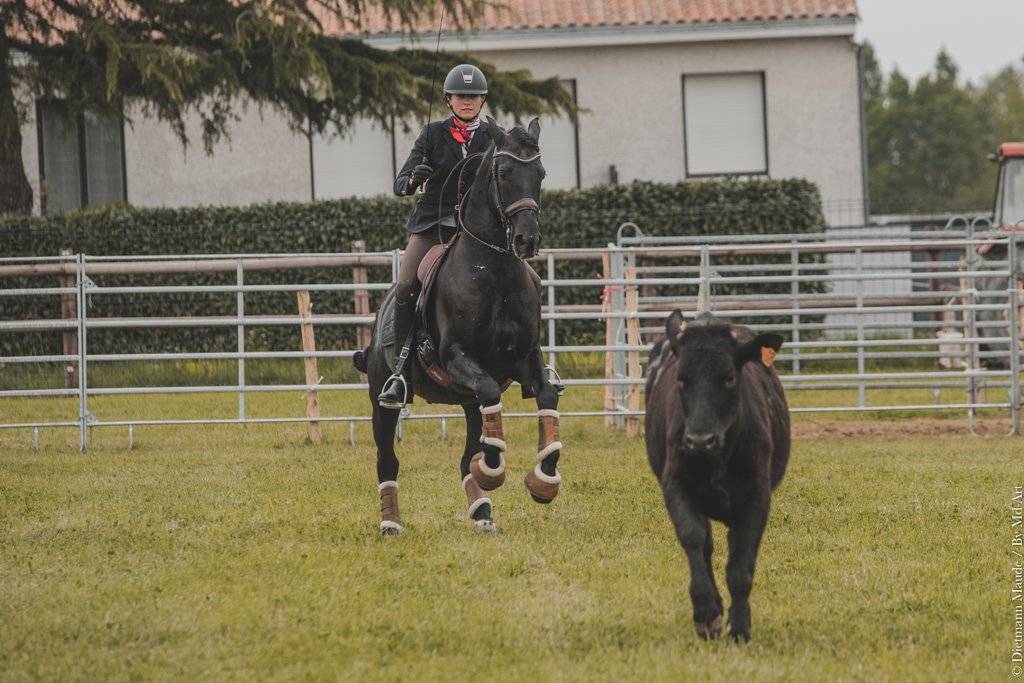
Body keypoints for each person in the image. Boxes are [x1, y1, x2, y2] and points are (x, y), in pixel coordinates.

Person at [378, 63, 493, 408]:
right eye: (460, 96)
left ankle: (533, 364)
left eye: (474, 96)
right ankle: (399, 372)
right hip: (432, 225)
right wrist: (415, 178)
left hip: (477, 231)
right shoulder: (432, 134)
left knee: (521, 279)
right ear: (447, 100)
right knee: (405, 286)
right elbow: (400, 184)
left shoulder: (493, 136)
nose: (467, 102)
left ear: (483, 100)